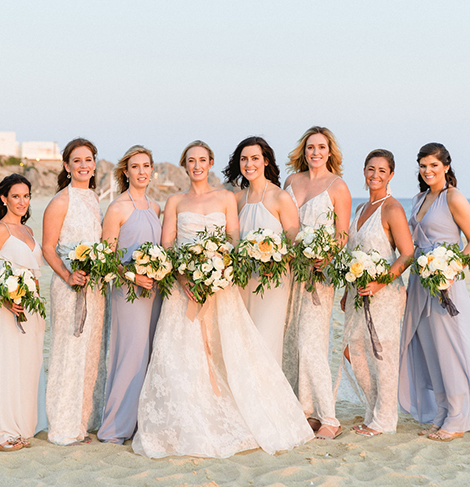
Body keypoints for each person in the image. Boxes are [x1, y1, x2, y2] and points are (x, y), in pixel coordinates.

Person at [132, 140, 313, 458]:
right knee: (182, 353)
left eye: (203, 160)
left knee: (223, 350)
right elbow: (168, 245)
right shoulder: (174, 200)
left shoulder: (227, 198)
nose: (197, 165)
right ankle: (188, 419)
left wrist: (217, 273)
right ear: (184, 165)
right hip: (183, 288)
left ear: (211, 162)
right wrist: (186, 277)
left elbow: (233, 238)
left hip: (221, 286)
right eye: (191, 160)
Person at [398, 143, 470, 442]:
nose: (427, 171)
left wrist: (450, 271)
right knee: (428, 348)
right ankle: (441, 412)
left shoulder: (454, 197)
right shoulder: (419, 198)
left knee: (450, 348)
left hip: (444, 284)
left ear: (446, 167)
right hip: (419, 282)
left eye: (433, 166)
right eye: (423, 166)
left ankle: (458, 415)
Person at [334, 149, 413, 437]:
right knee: (354, 351)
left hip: (385, 294)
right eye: (371, 169)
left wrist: (379, 283)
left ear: (391, 175)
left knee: (383, 355)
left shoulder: (392, 209)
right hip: (357, 293)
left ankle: (384, 420)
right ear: (364, 172)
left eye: (382, 170)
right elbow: (353, 254)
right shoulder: (359, 209)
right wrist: (346, 291)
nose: (375, 175)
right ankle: (372, 411)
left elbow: (407, 255)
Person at [283, 126, 351, 440]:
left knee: (312, 344)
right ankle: (303, 411)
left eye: (321, 148)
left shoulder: (338, 186)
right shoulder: (291, 182)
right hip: (289, 273)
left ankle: (330, 417)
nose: (315, 153)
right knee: (292, 342)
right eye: (311, 147)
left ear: (329, 152)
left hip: (318, 275)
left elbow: (342, 234)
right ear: (304, 150)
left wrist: (327, 255)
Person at [42, 138, 107, 445]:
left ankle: (82, 423)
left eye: (88, 160)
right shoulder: (60, 201)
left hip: (94, 287)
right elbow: (48, 248)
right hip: (69, 287)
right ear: (67, 166)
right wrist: (68, 275)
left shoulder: (94, 199)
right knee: (67, 351)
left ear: (94, 165)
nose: (83, 165)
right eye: (77, 160)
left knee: (90, 353)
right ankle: (63, 426)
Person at [97, 145, 162, 444]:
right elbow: (105, 258)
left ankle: (138, 422)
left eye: (146, 165)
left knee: (149, 354)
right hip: (128, 292)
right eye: (135, 166)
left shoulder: (156, 207)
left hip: (156, 292)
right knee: (130, 354)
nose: (142, 171)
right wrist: (134, 276)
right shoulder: (117, 208)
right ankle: (114, 427)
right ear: (125, 172)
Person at [0, 174, 47, 452]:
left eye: (26, 196)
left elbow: (35, 273)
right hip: (5, 308)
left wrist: (36, 302)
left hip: (31, 308)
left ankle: (20, 427)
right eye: (16, 196)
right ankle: (0, 432)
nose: (22, 201)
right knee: (5, 365)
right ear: (3, 198)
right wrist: (5, 298)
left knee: (26, 366)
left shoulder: (29, 232)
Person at [222, 136, 299, 366]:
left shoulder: (280, 197)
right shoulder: (236, 200)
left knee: (264, 346)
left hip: (272, 284)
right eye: (244, 159)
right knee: (242, 346)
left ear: (266, 161)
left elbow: (295, 245)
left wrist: (275, 263)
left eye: (255, 158)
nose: (249, 164)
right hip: (242, 283)